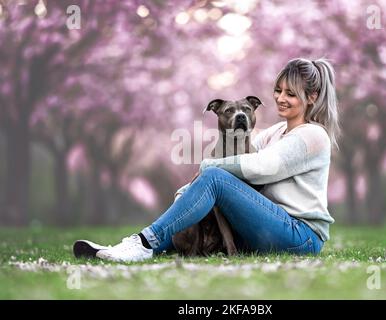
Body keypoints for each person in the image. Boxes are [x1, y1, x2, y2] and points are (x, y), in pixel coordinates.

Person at [74, 58, 340, 262]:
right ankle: (131, 248)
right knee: (214, 178)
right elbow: (234, 161)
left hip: (300, 236)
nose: (281, 98)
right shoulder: (275, 132)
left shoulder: (314, 135)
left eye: (290, 94)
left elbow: (262, 168)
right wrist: (186, 192)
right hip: (269, 226)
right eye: (278, 90)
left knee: (215, 175)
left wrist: (208, 168)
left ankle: (143, 244)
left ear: (312, 97)